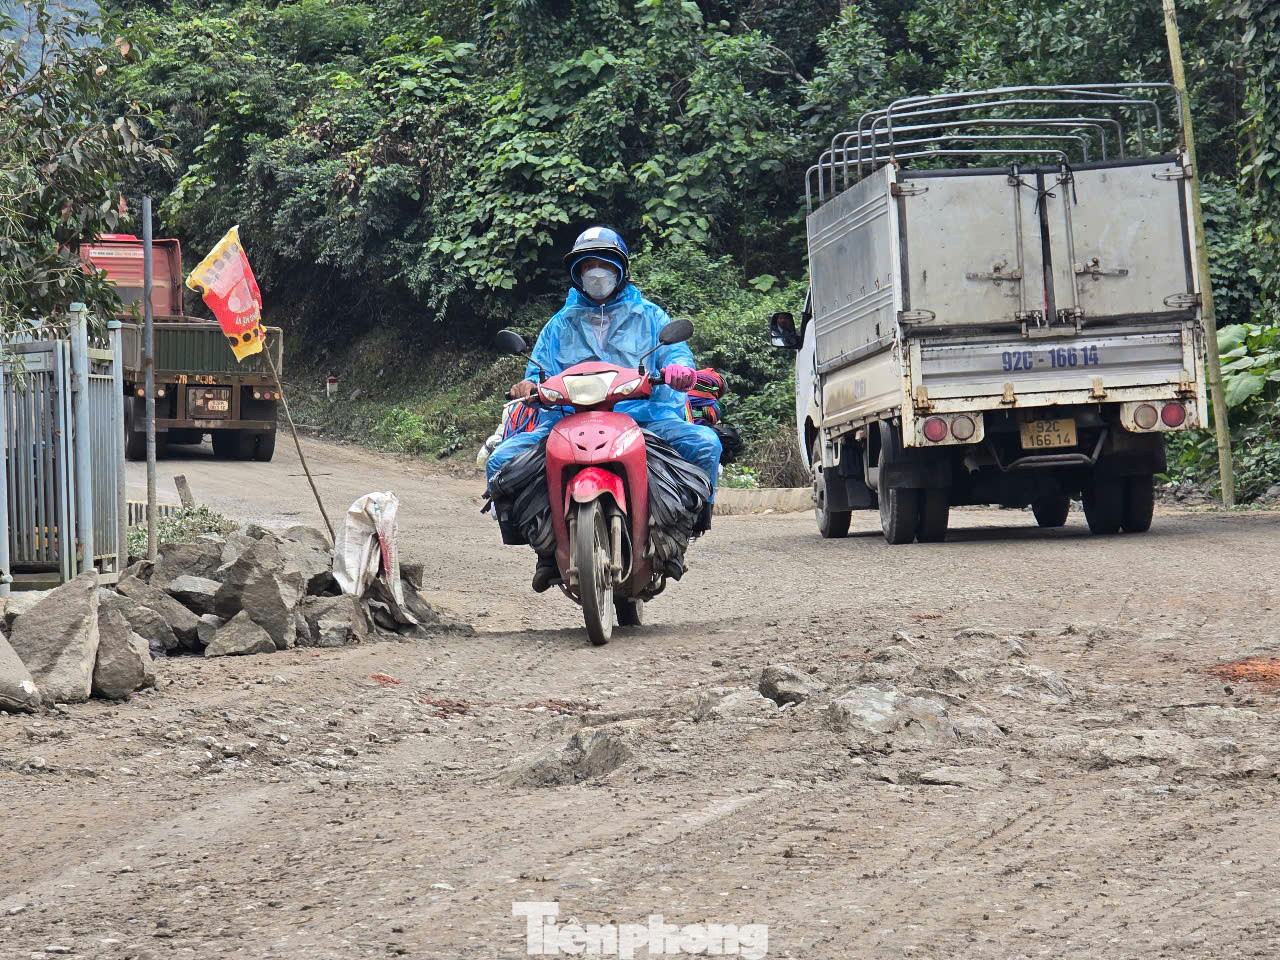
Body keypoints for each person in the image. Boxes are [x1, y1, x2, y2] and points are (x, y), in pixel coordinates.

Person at [486, 226, 722, 591]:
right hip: (566, 421)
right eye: (588, 266)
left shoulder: (651, 317)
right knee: (500, 462)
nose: (596, 273)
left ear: (620, 269)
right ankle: (545, 550)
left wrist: (678, 369)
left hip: (645, 419)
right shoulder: (557, 326)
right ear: (577, 274)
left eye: (604, 264)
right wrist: (529, 385)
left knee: (705, 445)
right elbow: (537, 372)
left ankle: (681, 533)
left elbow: (677, 353)